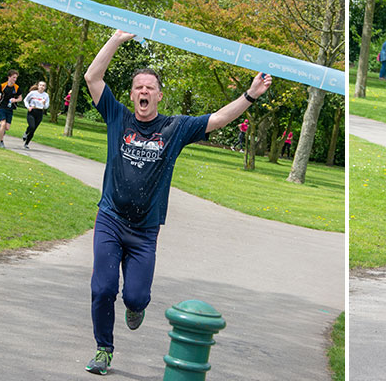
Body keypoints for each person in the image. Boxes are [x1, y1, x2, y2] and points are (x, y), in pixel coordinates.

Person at [80, 29, 272, 375]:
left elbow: (219, 118)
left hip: (144, 231)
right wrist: (116, 40)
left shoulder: (174, 128)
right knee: (102, 288)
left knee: (136, 296)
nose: (143, 91)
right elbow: (92, 77)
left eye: (149, 88)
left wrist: (250, 95)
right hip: (110, 218)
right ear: (132, 93)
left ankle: (135, 307)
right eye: (138, 87)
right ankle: (103, 349)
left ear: (159, 96)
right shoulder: (117, 116)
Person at [0, 70, 22, 148]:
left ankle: (1, 126)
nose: (15, 79)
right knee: (3, 124)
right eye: (13, 77)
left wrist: (15, 100)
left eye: (16, 78)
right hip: (2, 107)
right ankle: (1, 142)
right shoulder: (2, 86)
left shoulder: (17, 87)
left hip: (10, 109)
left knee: (7, 128)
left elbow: (20, 98)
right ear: (9, 77)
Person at [22, 80, 50, 149]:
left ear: (45, 87)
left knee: (33, 129)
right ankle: (26, 133)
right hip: (32, 111)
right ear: (38, 86)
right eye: (40, 85)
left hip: (39, 112)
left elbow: (46, 106)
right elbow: (25, 100)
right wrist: (28, 107)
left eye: (43, 86)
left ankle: (26, 144)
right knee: (31, 126)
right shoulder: (32, 93)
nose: (42, 87)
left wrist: (44, 103)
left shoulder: (46, 95)